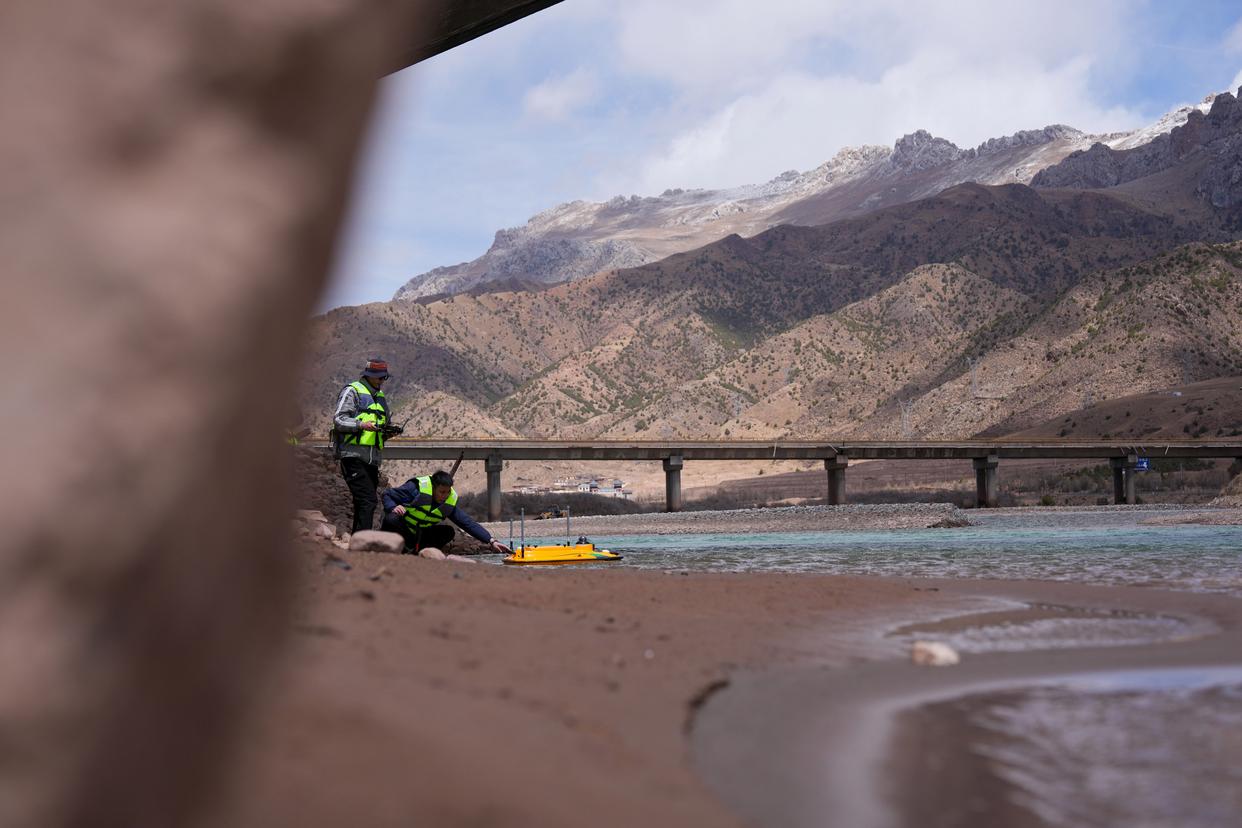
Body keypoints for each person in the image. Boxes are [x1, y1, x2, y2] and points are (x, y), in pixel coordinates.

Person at [381, 470, 510, 555]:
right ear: (433, 487)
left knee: (448, 531)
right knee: (391, 519)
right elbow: (387, 494)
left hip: (420, 535)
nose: (445, 495)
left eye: (448, 492)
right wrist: (393, 506)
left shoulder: (448, 503)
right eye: (442, 492)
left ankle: (419, 553)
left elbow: (467, 523)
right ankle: (389, 548)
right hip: (403, 528)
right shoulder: (414, 489)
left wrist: (491, 541)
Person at [333, 357, 392, 533]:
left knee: (364, 502)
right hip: (353, 456)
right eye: (379, 377)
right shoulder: (352, 391)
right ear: (368, 375)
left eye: (384, 377)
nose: (382, 381)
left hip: (372, 460)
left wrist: (388, 431)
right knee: (368, 500)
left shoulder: (380, 397)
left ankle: (357, 539)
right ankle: (363, 542)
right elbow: (339, 419)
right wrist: (361, 425)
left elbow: (383, 424)